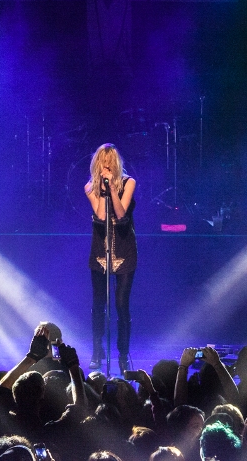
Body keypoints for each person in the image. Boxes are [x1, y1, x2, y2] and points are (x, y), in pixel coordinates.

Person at [84, 144, 137, 373]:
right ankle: (97, 351)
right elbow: (102, 214)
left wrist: (113, 190)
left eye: (109, 162)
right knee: (99, 305)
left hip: (124, 251)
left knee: (121, 305)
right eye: (102, 162)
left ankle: (123, 354)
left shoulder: (129, 183)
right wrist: (102, 189)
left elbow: (121, 212)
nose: (106, 166)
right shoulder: (90, 187)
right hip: (100, 253)